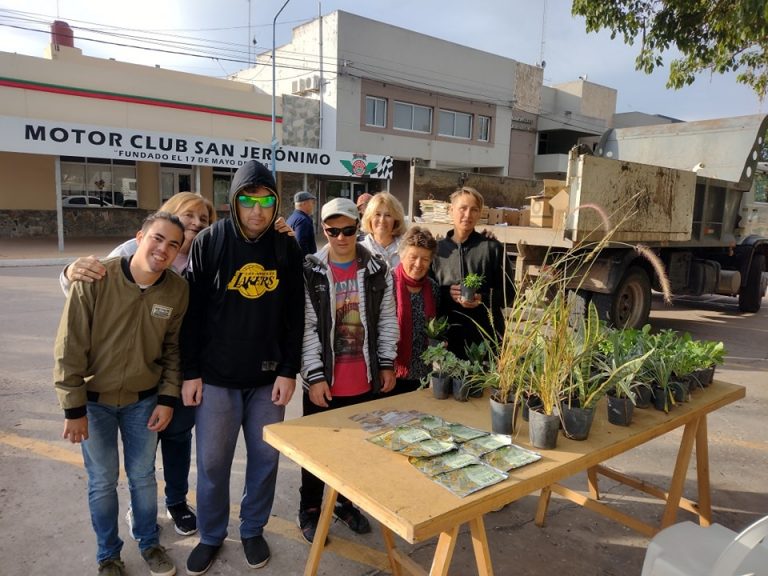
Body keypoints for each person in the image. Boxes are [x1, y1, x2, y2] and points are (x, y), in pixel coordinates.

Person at [59, 191, 216, 538]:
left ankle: (175, 502)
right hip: (120, 379)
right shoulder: (135, 252)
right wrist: (70, 271)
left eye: (204, 220)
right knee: (131, 463)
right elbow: (85, 288)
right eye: (189, 215)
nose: (197, 224)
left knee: (176, 439)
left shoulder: (205, 258)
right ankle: (134, 518)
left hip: (176, 372)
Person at [180, 160, 304, 575]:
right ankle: (212, 535)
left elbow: (294, 316)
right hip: (216, 378)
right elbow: (192, 314)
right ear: (234, 201)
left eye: (265, 201)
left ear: (275, 204)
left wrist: (289, 370)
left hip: (268, 379)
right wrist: (190, 372)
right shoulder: (210, 242)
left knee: (265, 461)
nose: (257, 210)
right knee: (213, 463)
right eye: (248, 200)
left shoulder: (286, 247)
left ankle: (253, 528)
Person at [53, 211, 189, 576]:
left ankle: (149, 543)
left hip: (143, 402)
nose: (164, 249)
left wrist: (166, 398)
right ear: (140, 236)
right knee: (102, 482)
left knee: (143, 477)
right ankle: (108, 555)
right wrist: (73, 409)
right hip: (93, 404)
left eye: (173, 244)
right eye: (157, 238)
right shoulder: (97, 277)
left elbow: (173, 350)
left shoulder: (177, 290)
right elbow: (69, 347)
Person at [297, 197, 399, 544]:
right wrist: (313, 375)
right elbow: (307, 327)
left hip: (363, 379)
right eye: (332, 230)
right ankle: (309, 509)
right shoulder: (310, 270)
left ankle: (346, 503)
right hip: (325, 379)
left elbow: (387, 318)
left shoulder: (377, 269)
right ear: (323, 230)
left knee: (358, 452)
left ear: (359, 227)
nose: (340, 237)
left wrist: (386, 362)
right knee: (317, 454)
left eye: (348, 230)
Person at [431, 186, 506, 358]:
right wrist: (446, 292)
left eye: (474, 210)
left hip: (485, 340)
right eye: (462, 208)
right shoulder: (437, 251)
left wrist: (483, 298)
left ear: (480, 214)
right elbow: (428, 293)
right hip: (448, 341)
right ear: (451, 210)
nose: (467, 215)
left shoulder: (492, 248)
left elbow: (509, 294)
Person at [392, 226, 440, 393]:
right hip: (391, 373)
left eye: (425, 259)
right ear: (402, 255)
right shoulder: (387, 284)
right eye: (413, 257)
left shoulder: (432, 288)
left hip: (422, 373)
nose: (419, 264)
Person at [359, 192, 407, 269]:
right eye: (377, 214)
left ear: (396, 219)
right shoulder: (359, 251)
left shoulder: (407, 248)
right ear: (369, 218)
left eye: (388, 215)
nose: (382, 220)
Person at [286, 190, 317, 256]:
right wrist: (307, 261)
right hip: (302, 263)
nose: (313, 205)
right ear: (304, 204)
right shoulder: (303, 220)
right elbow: (300, 243)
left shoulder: (292, 217)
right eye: (312, 203)